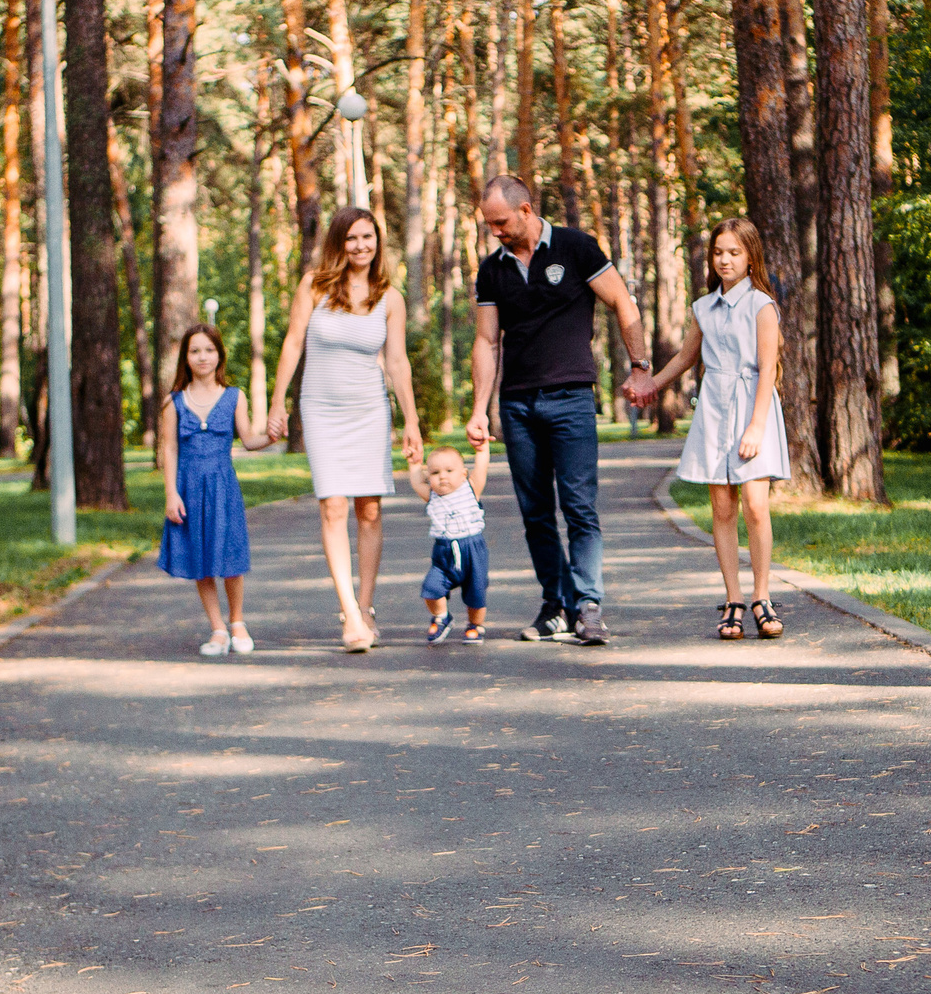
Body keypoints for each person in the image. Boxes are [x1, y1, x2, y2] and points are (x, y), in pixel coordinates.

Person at [466, 174, 651, 646]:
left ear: (526, 210)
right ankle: (556, 604)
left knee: (579, 507)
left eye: (502, 221)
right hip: (518, 404)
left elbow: (622, 304)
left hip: (570, 398)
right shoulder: (492, 270)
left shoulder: (576, 248)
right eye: (489, 224)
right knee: (535, 513)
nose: (495, 231)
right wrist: (480, 407)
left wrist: (640, 366)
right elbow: (488, 340)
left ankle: (588, 605)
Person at [269, 207, 427, 652]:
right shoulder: (314, 285)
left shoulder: (388, 297)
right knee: (333, 506)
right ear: (339, 243)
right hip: (321, 409)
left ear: (378, 242)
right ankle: (350, 616)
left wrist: (411, 419)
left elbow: (397, 362)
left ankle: (366, 604)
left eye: (368, 237)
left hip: (370, 410)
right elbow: (294, 341)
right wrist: (277, 400)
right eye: (352, 238)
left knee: (369, 510)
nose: (361, 246)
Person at [633, 218, 788, 640]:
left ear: (750, 257)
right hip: (715, 410)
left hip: (752, 409)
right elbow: (685, 357)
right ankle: (733, 598)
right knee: (722, 509)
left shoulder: (762, 306)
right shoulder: (704, 308)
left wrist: (756, 427)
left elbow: (767, 369)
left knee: (755, 506)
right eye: (719, 252)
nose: (725, 260)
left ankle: (761, 596)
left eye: (734, 252)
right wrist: (651, 384)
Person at [158, 324, 276, 656]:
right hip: (189, 488)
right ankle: (217, 629)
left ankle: (237, 622)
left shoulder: (234, 396)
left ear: (219, 355)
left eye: (209, 350)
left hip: (223, 487)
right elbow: (169, 450)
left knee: (230, 556)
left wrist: (271, 437)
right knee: (201, 557)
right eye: (195, 351)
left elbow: (250, 440)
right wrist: (171, 493)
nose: (202, 357)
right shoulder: (174, 402)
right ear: (186, 358)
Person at [408, 440, 494, 643]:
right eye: (435, 473)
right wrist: (414, 464)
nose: (442, 476)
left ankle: (475, 625)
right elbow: (416, 482)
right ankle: (441, 617)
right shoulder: (432, 496)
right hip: (444, 550)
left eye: (449, 470)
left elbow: (481, 467)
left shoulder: (471, 489)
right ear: (429, 477)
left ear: (463, 474)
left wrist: (482, 449)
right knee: (431, 589)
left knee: (476, 590)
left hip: (472, 549)